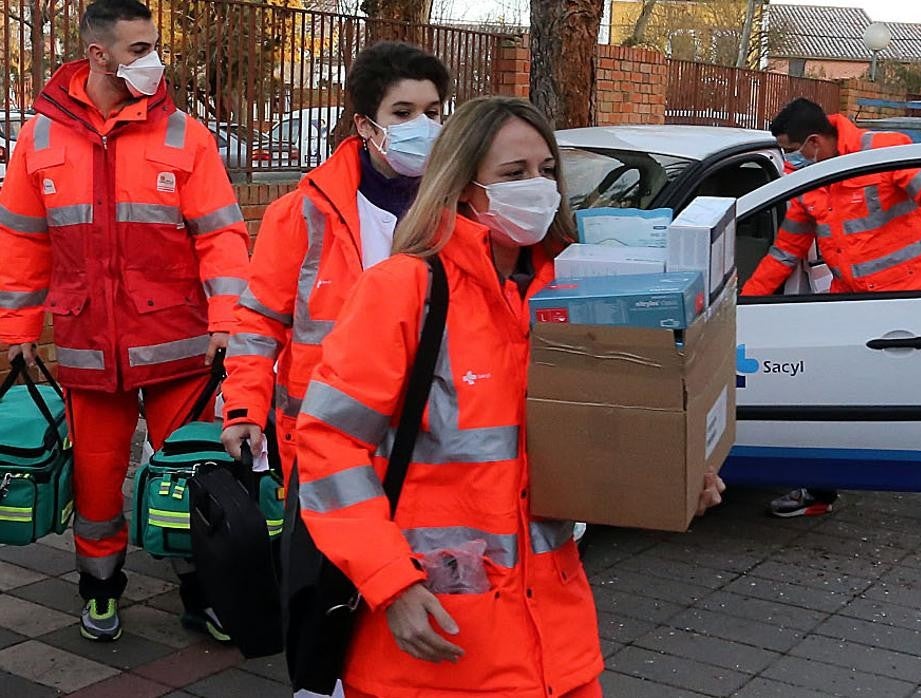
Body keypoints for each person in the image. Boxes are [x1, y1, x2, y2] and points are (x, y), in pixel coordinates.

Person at [293, 96, 725, 698]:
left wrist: (675, 482)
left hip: (555, 637)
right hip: (438, 638)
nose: (539, 188)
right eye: (513, 174)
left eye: (548, 170)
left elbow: (591, 448)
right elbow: (328, 445)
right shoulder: (405, 289)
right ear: (463, 186)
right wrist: (388, 583)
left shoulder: (573, 297)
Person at [0, 0, 249, 641]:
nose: (154, 61)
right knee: (97, 485)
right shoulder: (41, 138)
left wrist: (228, 321)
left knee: (195, 476)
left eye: (154, 46)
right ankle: (101, 588)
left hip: (182, 349)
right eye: (139, 49)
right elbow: (21, 244)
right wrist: (17, 332)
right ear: (98, 55)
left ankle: (205, 591)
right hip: (90, 350)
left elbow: (221, 239)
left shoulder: (184, 135)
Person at [743, 98, 921, 535]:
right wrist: (743, 304)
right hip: (849, 303)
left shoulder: (884, 149)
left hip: (909, 300)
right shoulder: (809, 179)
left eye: (793, 150)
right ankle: (819, 492)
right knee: (825, 396)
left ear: (814, 142)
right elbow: (784, 251)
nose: (790, 160)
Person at [219, 42, 450, 472]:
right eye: (402, 114)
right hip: (324, 434)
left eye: (432, 113)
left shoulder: (460, 214)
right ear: (365, 124)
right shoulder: (303, 213)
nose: (423, 127)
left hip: (433, 437)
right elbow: (259, 321)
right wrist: (244, 408)